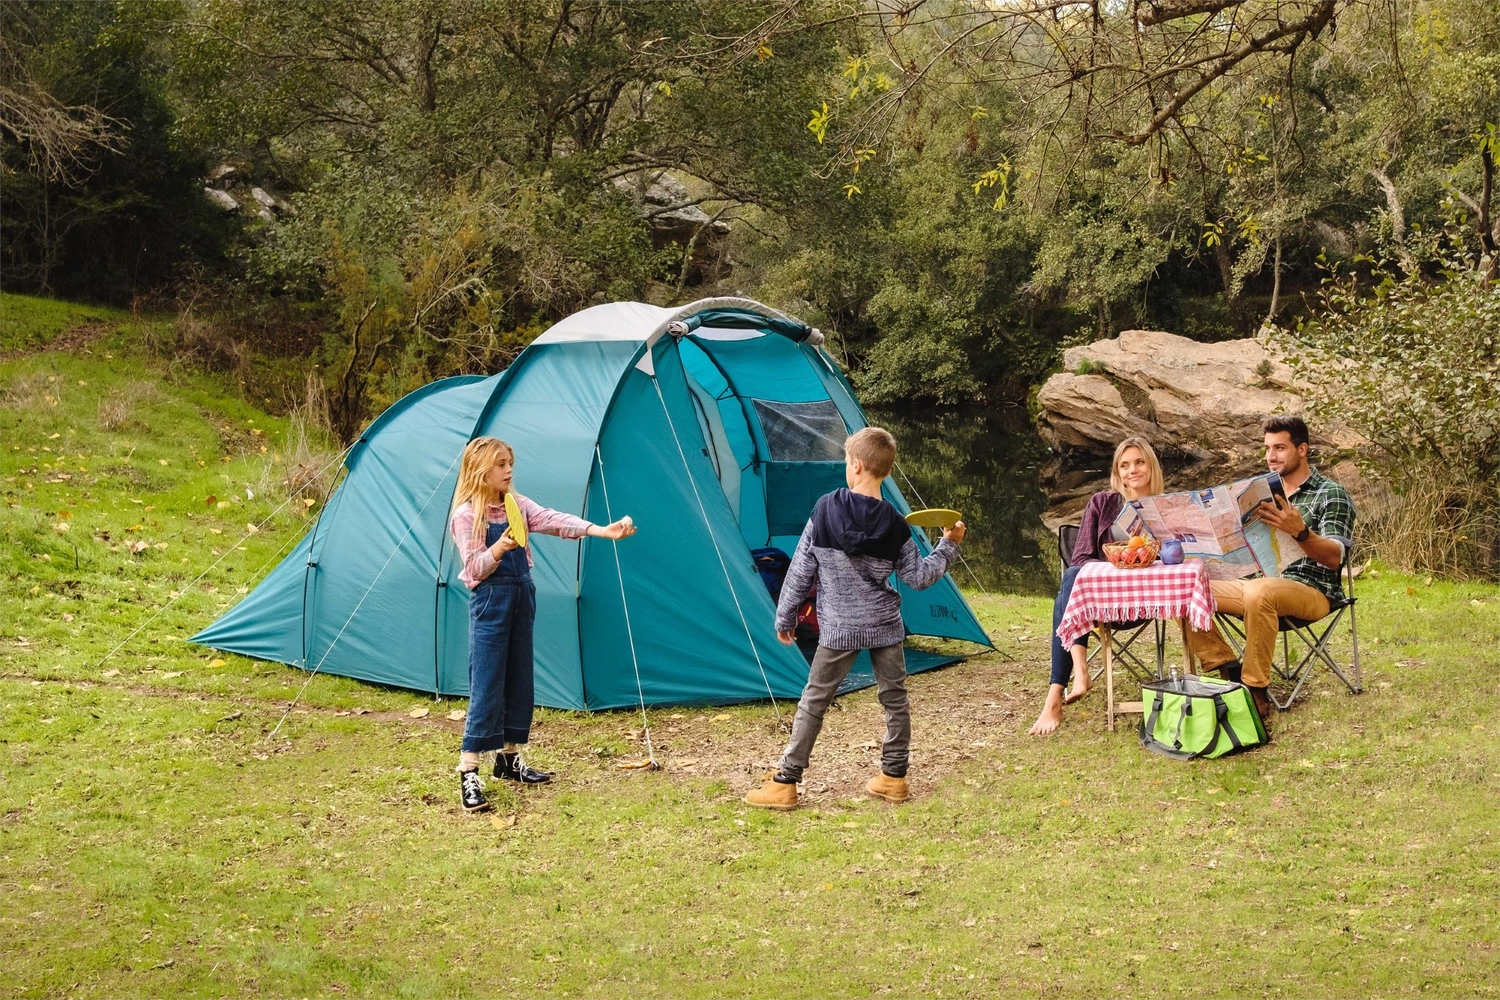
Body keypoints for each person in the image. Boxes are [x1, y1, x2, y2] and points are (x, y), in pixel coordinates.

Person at [744, 427, 966, 811]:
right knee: (895, 700)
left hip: (839, 627)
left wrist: (786, 616)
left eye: (848, 461)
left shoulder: (825, 508)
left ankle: (785, 782)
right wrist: (948, 545)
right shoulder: (896, 524)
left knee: (814, 700)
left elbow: (801, 570)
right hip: (884, 624)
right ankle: (894, 778)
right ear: (885, 471)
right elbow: (919, 578)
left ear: (857, 465)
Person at [449, 436, 637, 813]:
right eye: (501, 464)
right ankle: (469, 769)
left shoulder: (515, 505)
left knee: (520, 678)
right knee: (488, 680)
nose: (509, 470)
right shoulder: (467, 515)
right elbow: (472, 570)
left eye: (509, 463)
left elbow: (553, 519)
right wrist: (499, 548)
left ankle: (508, 758)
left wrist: (602, 530)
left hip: (522, 594)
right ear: (481, 469)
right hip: (490, 600)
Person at [1187, 416, 1355, 720]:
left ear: (1302, 449)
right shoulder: (1258, 493)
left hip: (1312, 590)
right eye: (1267, 448)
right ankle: (1228, 670)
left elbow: (1334, 558)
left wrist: (1301, 532)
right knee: (1185, 589)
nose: (1271, 456)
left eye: (1280, 447)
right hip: (1255, 582)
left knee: (1259, 591)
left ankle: (1255, 689)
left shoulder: (1330, 494)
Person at [1029, 436, 1165, 736]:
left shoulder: (1166, 507)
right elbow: (1080, 558)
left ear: (1151, 466)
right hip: (1103, 604)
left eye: (1139, 462)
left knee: (1065, 588)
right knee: (1072, 576)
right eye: (1125, 465)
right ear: (1117, 472)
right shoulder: (1103, 503)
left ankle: (1060, 690)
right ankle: (1074, 675)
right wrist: (1118, 565)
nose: (1133, 471)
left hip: (1146, 603)